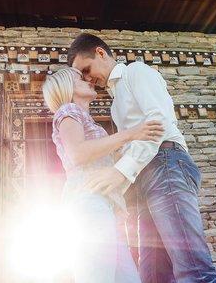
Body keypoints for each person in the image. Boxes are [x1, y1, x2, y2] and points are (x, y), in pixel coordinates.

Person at [68, 33, 216, 283]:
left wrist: (119, 172)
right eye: (82, 76)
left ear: (100, 53)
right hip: (143, 180)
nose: (88, 78)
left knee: (193, 270)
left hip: (166, 164)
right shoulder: (116, 103)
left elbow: (157, 123)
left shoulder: (136, 73)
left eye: (86, 69)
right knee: (153, 277)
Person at [42, 67, 163, 283]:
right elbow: (78, 153)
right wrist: (131, 134)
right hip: (88, 204)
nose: (88, 79)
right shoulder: (68, 110)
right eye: (80, 78)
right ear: (68, 87)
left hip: (102, 207)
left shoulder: (84, 118)